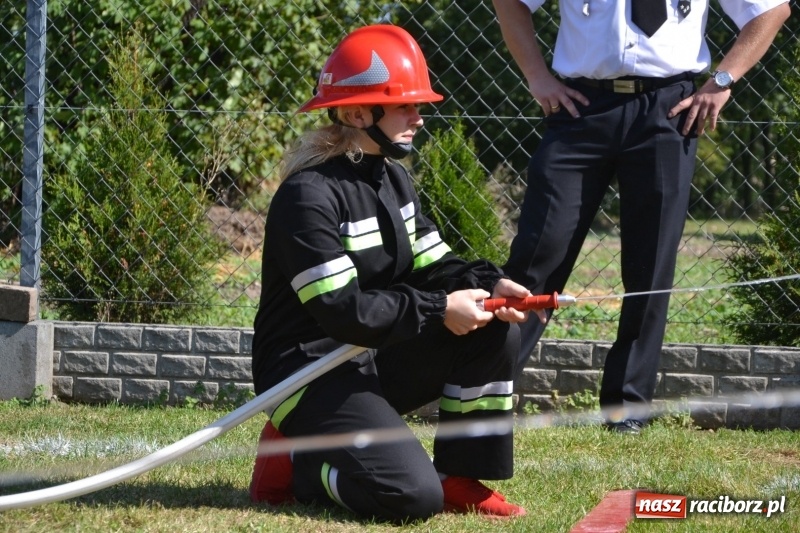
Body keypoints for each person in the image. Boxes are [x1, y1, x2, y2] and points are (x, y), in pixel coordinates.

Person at [249, 24, 541, 522]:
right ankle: (298, 461)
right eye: (406, 105)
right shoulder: (308, 196)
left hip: (366, 352)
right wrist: (438, 309)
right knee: (409, 497)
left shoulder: (392, 178)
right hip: (307, 372)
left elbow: (435, 265)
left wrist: (490, 285)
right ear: (360, 112)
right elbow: (344, 311)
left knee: (493, 332)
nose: (419, 119)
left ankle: (459, 477)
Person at [492, 0, 790, 433]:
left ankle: (627, 410)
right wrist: (537, 76)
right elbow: (511, 3)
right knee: (539, 253)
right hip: (580, 108)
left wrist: (723, 81)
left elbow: (772, 10)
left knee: (650, 268)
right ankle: (487, 389)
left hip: (669, 111)